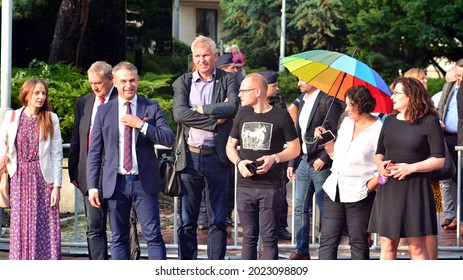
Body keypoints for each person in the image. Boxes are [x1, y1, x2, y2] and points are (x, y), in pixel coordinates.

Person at [86, 61, 175, 260]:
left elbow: (169, 139)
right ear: (114, 82)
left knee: (153, 236)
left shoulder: (150, 107)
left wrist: (141, 125)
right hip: (115, 184)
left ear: (138, 80)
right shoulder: (104, 111)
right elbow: (94, 152)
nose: (129, 85)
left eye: (133, 80)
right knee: (118, 238)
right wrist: (92, 187)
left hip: (144, 183)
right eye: (124, 81)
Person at [173, 35, 239, 260]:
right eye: (197, 56)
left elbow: (232, 107)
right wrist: (212, 120)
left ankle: (215, 266)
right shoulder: (183, 81)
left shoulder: (228, 79)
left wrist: (199, 110)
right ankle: (187, 265)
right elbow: (179, 114)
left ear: (215, 56)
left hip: (216, 157)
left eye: (206, 55)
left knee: (218, 219)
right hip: (190, 158)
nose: (201, 60)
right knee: (187, 220)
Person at [368, 77, 445, 260]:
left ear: (411, 95)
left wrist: (411, 168)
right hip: (389, 188)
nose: (392, 97)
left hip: (415, 188)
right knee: (387, 244)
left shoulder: (429, 122)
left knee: (416, 246)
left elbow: (439, 159)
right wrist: (380, 165)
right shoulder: (389, 121)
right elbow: (379, 153)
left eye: (396, 93)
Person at [225, 73, 300, 259]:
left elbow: (295, 148)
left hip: (271, 187)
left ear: (257, 92)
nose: (239, 94)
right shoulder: (241, 114)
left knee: (269, 238)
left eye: (243, 91)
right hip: (245, 186)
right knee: (248, 237)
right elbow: (230, 146)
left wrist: (274, 158)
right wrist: (239, 162)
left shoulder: (281, 116)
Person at [316, 85, 381, 260]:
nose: (346, 108)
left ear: (362, 105)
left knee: (359, 242)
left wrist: (369, 187)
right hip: (334, 188)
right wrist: (326, 139)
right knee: (327, 241)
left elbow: (384, 166)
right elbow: (334, 155)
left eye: (350, 105)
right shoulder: (346, 122)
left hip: (360, 193)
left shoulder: (379, 130)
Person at [0, 78, 63, 259]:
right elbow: (2, 140)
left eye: (44, 93)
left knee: (45, 224)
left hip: (43, 178)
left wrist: (57, 186)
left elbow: (57, 154)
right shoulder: (12, 117)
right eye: (37, 93)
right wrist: (4, 157)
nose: (41, 97)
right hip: (19, 176)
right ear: (26, 95)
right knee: (20, 224)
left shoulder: (51, 118)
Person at [286, 79, 343, 260]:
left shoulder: (328, 100)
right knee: (299, 207)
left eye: (302, 79)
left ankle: (327, 251)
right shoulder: (302, 99)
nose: (298, 83)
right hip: (303, 160)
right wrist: (292, 162)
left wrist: (324, 158)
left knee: (325, 208)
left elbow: (337, 132)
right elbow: (298, 132)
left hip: (321, 162)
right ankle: (302, 251)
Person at [68, 61, 117, 260]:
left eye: (98, 83)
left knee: (120, 228)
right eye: (91, 83)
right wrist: (73, 170)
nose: (95, 87)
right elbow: (77, 138)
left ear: (110, 79)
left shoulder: (121, 100)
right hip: (90, 174)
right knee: (94, 227)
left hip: (116, 173)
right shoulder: (85, 102)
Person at [197, 52, 239, 230]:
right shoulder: (190, 83)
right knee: (200, 189)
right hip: (198, 148)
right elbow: (183, 114)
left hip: (221, 146)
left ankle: (222, 217)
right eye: (232, 67)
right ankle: (202, 218)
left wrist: (201, 109)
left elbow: (231, 107)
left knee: (223, 191)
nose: (236, 70)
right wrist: (215, 118)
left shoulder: (230, 82)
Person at [404, 68, 441, 260]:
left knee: (431, 220)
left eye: (426, 77)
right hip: (409, 173)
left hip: (430, 172)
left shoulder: (429, 105)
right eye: (422, 78)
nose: (426, 81)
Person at [258, 70, 292, 240]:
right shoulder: (251, 105)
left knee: (280, 194)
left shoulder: (280, 103)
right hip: (257, 158)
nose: (277, 88)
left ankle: (280, 226)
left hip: (278, 158)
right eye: (274, 85)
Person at [437, 60, 463, 231]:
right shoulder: (449, 86)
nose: (459, 79)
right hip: (447, 138)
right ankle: (456, 217)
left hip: (461, 139)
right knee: (451, 178)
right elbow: (441, 107)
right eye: (458, 75)